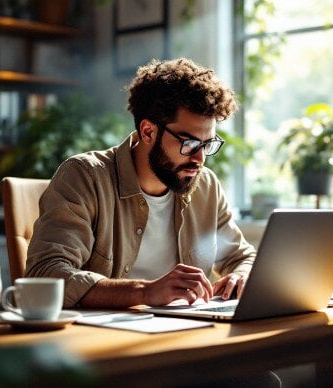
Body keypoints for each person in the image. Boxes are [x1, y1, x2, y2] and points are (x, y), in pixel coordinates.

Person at [26, 58, 256, 309]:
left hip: (183, 331)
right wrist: (145, 292)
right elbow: (47, 273)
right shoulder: (85, 177)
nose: (199, 158)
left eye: (207, 144)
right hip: (101, 338)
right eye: (189, 143)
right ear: (148, 132)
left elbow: (242, 257)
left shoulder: (206, 186)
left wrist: (241, 275)